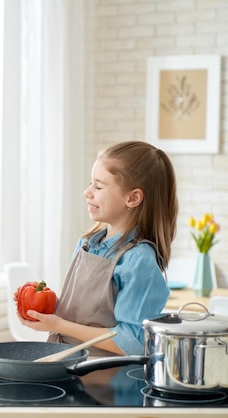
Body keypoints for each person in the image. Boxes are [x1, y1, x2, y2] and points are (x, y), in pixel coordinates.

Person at [17, 141, 177, 356]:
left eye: (99, 186)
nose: (87, 192)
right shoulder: (88, 244)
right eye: (91, 183)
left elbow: (133, 342)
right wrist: (42, 305)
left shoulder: (138, 260)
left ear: (133, 198)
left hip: (106, 380)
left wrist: (58, 326)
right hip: (66, 364)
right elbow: (88, 315)